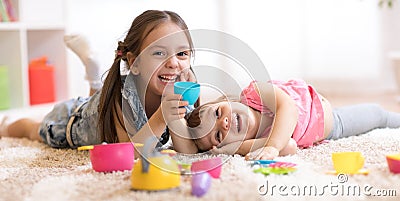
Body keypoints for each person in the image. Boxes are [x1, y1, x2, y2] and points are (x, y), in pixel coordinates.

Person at [0, 10, 197, 149]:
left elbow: (186, 150)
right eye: (160, 53)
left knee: (97, 103)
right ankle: (6, 126)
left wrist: (176, 119)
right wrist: (162, 117)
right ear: (134, 63)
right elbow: (131, 152)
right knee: (32, 129)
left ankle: (94, 81)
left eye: (182, 54)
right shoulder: (124, 96)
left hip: (97, 110)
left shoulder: (181, 91)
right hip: (70, 120)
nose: (173, 63)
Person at [171, 79, 400, 160]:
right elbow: (289, 145)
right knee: (374, 117)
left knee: (378, 115)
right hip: (332, 131)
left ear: (225, 100)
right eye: (219, 134)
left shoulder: (253, 93)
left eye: (219, 113)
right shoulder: (251, 142)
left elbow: (287, 107)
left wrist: (271, 146)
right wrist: (233, 148)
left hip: (332, 117)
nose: (225, 123)